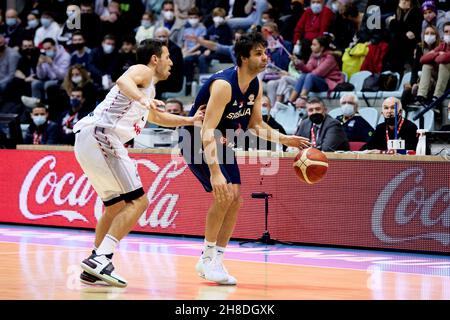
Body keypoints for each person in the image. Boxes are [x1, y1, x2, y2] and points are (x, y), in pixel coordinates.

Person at [180, 32, 310, 285]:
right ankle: (206, 258)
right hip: (195, 139)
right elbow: (206, 131)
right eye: (259, 53)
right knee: (225, 194)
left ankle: (217, 259)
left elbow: (256, 125)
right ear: (243, 57)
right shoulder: (223, 85)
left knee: (236, 200)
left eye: (265, 52)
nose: (265, 58)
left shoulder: (255, 84)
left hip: (222, 139)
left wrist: (285, 139)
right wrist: (216, 172)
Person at [74, 39, 204, 287]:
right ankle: (102, 258)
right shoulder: (143, 71)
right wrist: (144, 100)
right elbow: (123, 81)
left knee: (114, 206)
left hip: (89, 138)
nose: (171, 62)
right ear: (155, 59)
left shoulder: (149, 89)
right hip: (103, 134)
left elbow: (157, 117)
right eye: (167, 56)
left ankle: (93, 263)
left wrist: (190, 120)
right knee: (139, 201)